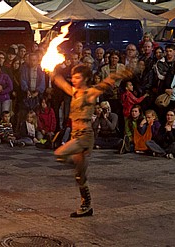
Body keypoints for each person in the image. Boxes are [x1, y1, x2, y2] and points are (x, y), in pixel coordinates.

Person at [50, 63, 131, 217]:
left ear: (85, 78)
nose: (74, 80)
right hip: (75, 135)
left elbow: (107, 82)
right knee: (80, 176)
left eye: (77, 77)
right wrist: (52, 71)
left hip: (85, 136)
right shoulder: (73, 92)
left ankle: (74, 159)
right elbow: (60, 82)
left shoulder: (90, 93)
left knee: (60, 153)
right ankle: (86, 205)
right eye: (73, 77)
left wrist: (124, 73)